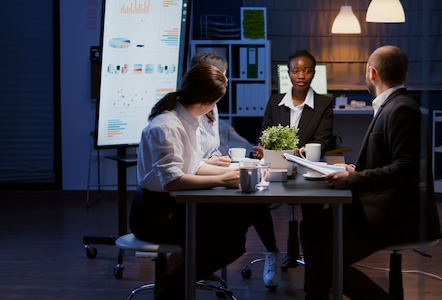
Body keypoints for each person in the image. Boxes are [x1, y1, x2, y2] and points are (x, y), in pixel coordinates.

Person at [299, 45, 442, 300]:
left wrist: (353, 178)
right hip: (379, 208)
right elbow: (389, 161)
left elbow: (407, 169)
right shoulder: (391, 106)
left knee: (324, 261)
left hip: (394, 216)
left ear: (372, 73)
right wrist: (353, 169)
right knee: (309, 227)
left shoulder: (402, 109)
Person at [128, 63, 253, 299]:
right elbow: (172, 181)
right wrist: (223, 181)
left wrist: (223, 175)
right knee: (231, 241)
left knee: (238, 223)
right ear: (207, 103)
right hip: (155, 215)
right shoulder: (166, 126)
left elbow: (192, 165)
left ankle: (177, 281)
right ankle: (172, 288)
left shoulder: (188, 119)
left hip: (176, 206)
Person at [191, 51, 282, 289]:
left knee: (254, 195)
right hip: (195, 186)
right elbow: (190, 161)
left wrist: (224, 161)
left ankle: (203, 262)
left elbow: (211, 149)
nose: (227, 82)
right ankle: (193, 263)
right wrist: (218, 169)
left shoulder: (212, 108)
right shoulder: (188, 113)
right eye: (223, 76)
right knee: (251, 202)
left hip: (209, 174)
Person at [250, 49, 335, 282]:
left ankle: (315, 264)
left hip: (307, 170)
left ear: (313, 74)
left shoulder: (324, 103)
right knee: (255, 203)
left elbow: (323, 141)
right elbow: (264, 135)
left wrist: (300, 151)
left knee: (314, 210)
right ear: (288, 74)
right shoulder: (275, 101)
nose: (301, 75)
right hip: (276, 168)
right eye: (295, 71)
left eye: (306, 71)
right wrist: (262, 149)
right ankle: (272, 252)